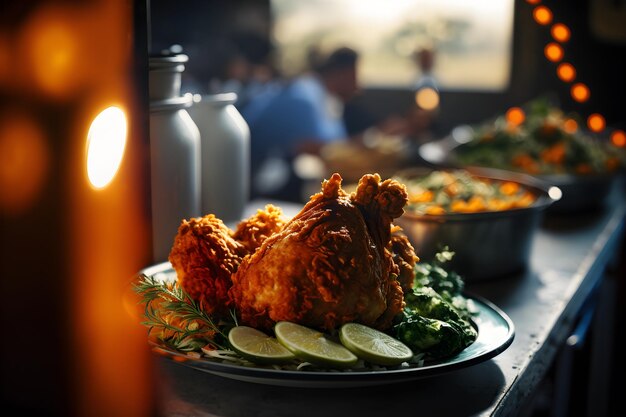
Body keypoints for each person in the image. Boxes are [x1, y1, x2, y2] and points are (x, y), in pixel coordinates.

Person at [240, 46, 361, 201]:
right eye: (355, 76)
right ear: (341, 73)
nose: (358, 85)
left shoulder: (324, 96)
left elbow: (336, 145)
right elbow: (316, 149)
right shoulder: (304, 98)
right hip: (260, 179)